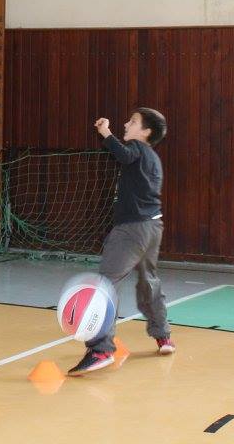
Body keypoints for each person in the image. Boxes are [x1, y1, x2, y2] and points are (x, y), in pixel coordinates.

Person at [68, 108, 175, 376]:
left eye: (133, 122)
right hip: (153, 227)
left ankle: (101, 349)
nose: (126, 124)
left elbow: (124, 154)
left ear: (146, 132)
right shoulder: (154, 159)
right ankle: (163, 336)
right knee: (149, 281)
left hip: (131, 230)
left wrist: (106, 133)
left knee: (105, 285)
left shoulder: (136, 149)